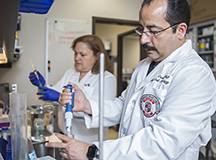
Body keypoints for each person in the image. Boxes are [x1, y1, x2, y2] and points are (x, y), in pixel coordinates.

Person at [45, 0, 216, 159]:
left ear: (180, 30)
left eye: (153, 31)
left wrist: (93, 152)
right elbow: (125, 106)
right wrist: (87, 106)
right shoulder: (145, 65)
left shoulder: (194, 74)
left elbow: (164, 141)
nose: (143, 39)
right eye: (142, 29)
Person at [29, 35, 116, 143]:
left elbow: (100, 111)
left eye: (82, 54)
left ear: (97, 56)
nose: (76, 58)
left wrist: (60, 98)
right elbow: (52, 93)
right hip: (65, 135)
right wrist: (42, 85)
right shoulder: (70, 73)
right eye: (75, 53)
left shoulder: (106, 78)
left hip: (88, 141)